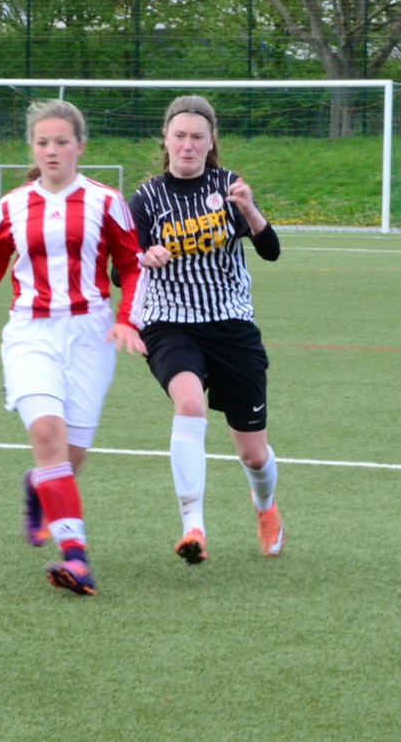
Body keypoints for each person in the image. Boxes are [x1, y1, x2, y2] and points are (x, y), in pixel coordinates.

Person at [0, 100, 146, 596]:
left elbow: (132, 266)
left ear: (80, 146)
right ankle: (76, 558)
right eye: (43, 142)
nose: (52, 150)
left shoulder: (106, 201)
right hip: (30, 334)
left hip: (90, 335)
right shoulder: (13, 205)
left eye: (61, 142)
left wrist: (128, 319)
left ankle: (38, 484)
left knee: (69, 459)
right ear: (32, 149)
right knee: (46, 436)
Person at [127, 94, 284, 565]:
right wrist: (143, 256)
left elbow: (271, 250)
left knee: (254, 455)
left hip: (232, 326)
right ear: (166, 139)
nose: (188, 145)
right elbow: (121, 269)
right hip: (170, 325)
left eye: (197, 137)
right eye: (179, 136)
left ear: (211, 140)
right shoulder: (146, 198)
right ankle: (192, 527)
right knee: (190, 403)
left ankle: (264, 504)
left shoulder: (228, 187)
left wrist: (250, 210)